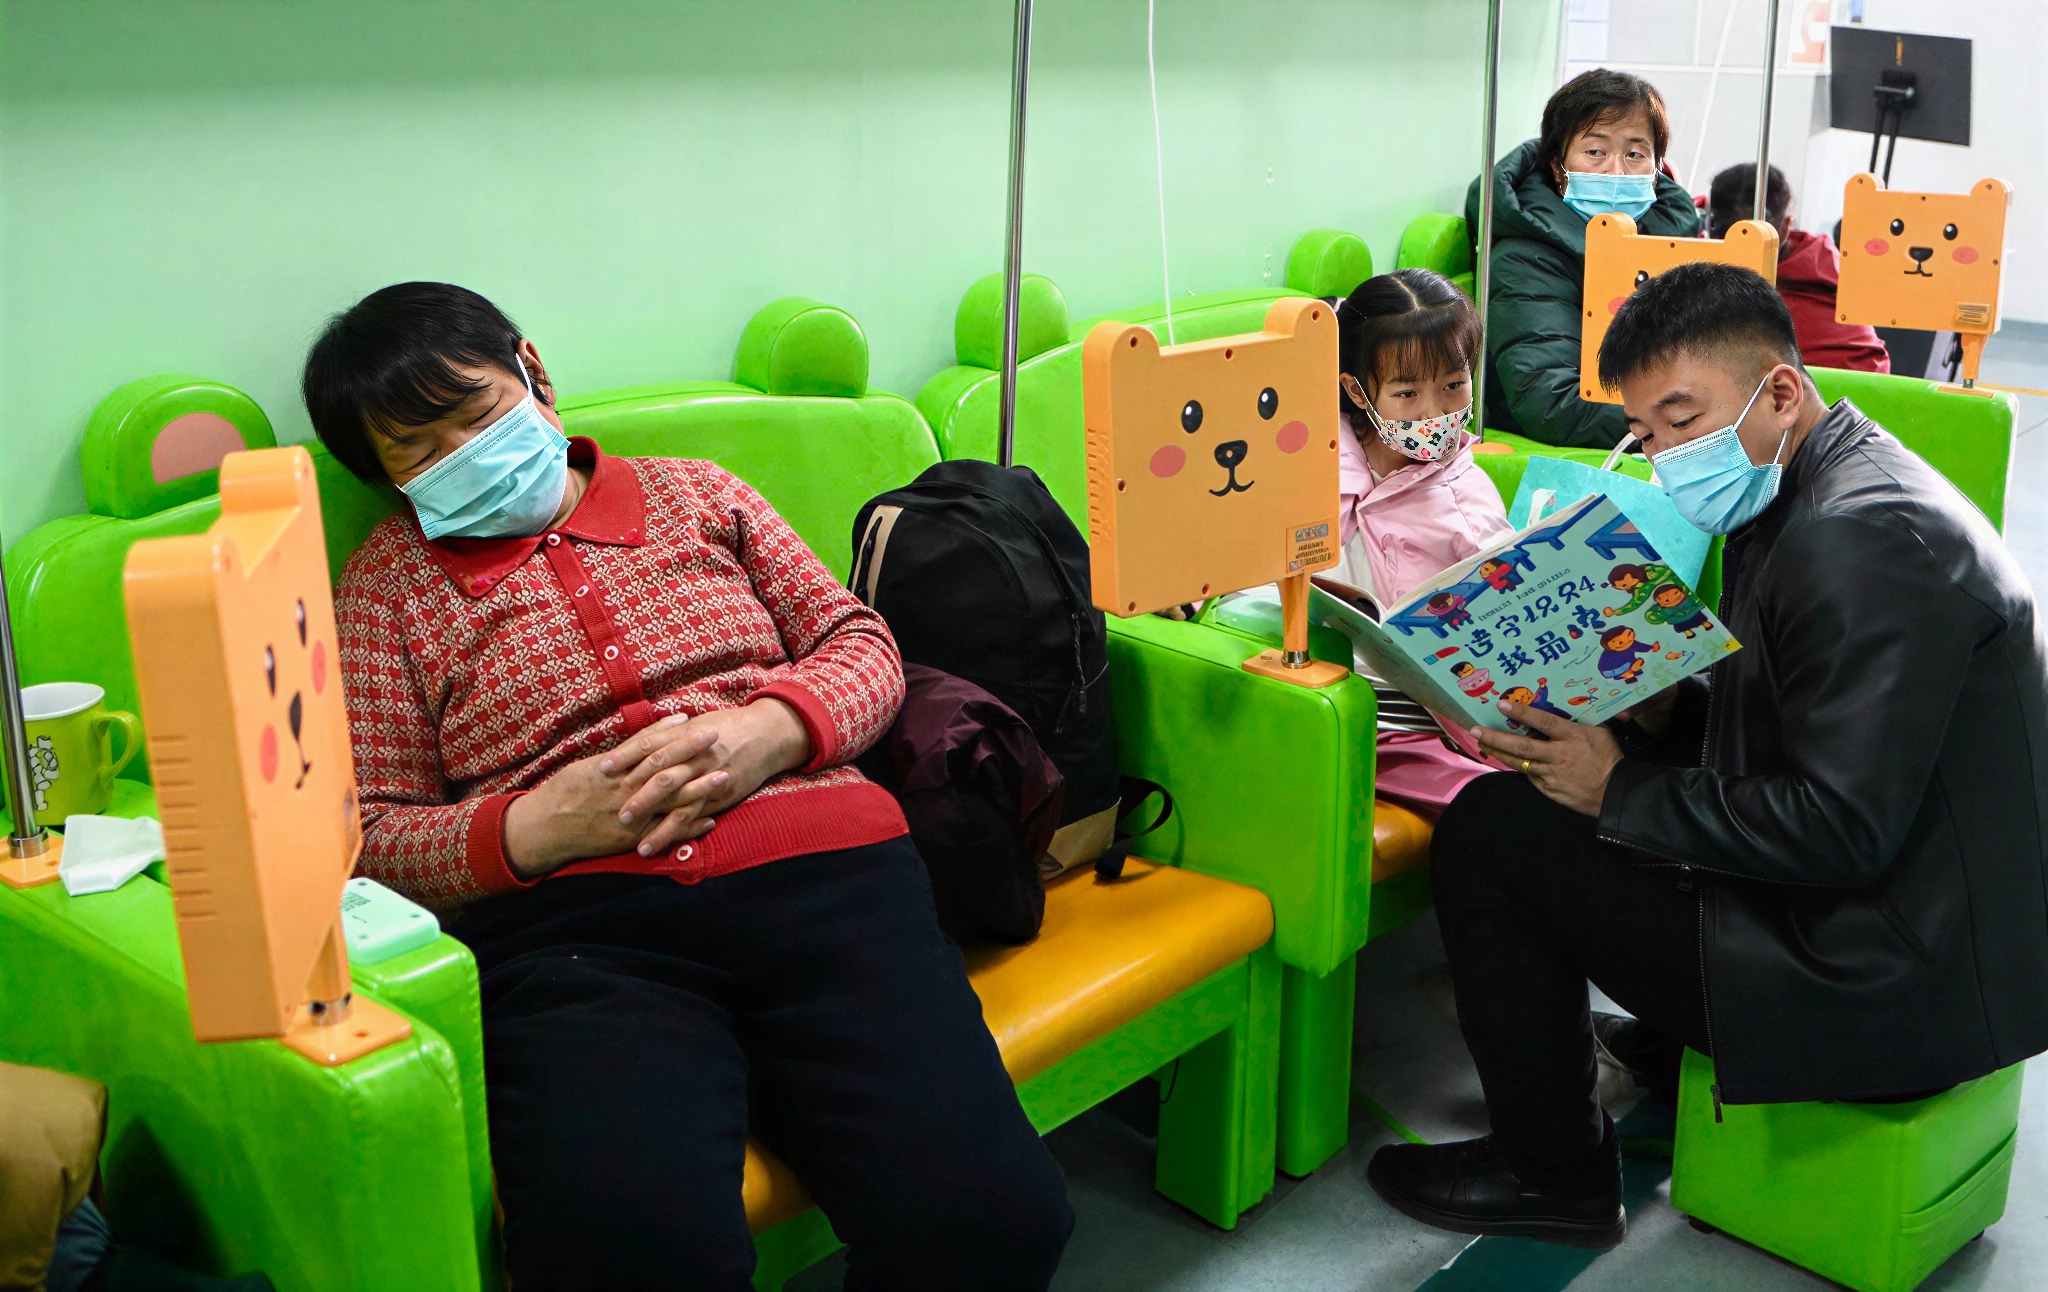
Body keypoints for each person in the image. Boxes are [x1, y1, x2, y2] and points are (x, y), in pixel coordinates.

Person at [304, 283, 1072, 1290]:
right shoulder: (386, 589)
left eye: (479, 415)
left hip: (828, 882)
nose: (463, 456)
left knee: (994, 1218)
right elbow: (371, 833)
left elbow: (861, 643)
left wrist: (769, 729)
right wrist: (530, 826)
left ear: (532, 368)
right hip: (579, 941)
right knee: (626, 1255)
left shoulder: (697, 493)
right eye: (420, 452)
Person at [1366, 262, 2048, 1248]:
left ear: (1776, 390)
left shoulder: (1858, 546)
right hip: (1907, 931)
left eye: (1681, 420)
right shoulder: (1826, 479)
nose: (1662, 455)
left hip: (1885, 983)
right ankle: (1662, 1034)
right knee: (1574, 802)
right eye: (1643, 433)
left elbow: (1838, 829)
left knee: (1490, 830)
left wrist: (1617, 785)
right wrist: (1650, 705)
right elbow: (1793, 725)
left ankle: (1547, 1170)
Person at [1329, 269, 1515, 819]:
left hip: (1431, 717)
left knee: (1490, 802)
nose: (1434, 413)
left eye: (1454, 385)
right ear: (1356, 391)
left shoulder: (1466, 501)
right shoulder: (1317, 461)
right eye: (1407, 393)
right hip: (1325, 693)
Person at [1465, 69, 1702, 448]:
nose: (1615, 171)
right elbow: (1549, 401)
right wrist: (1691, 423)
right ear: (1558, 168)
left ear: (1656, 170)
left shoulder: (1670, 243)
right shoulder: (1526, 257)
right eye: (1595, 152)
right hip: (1562, 451)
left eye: (1635, 154)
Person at [1708, 162, 1890, 374]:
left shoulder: (1722, 291)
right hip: (1872, 397)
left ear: (1711, 226)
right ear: (1786, 226)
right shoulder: (1828, 266)